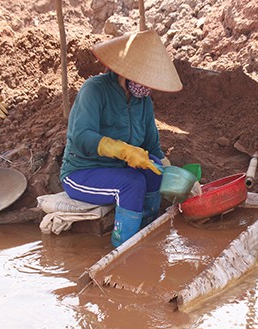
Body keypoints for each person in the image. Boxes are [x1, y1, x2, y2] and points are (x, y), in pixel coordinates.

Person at [59, 29, 183, 247]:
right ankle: (122, 248)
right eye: (143, 77)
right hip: (82, 171)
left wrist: (170, 172)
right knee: (132, 184)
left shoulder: (142, 100)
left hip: (117, 170)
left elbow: (151, 144)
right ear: (124, 70)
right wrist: (119, 149)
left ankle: (148, 233)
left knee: (153, 171)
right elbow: (81, 137)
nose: (147, 85)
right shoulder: (94, 90)